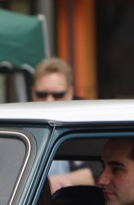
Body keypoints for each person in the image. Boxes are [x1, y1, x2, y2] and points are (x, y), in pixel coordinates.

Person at [33, 56, 95, 189]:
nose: (49, 100)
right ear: (33, 93)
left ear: (70, 93)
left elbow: (95, 172)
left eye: (57, 95)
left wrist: (47, 184)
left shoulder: (86, 119)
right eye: (42, 94)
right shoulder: (24, 120)